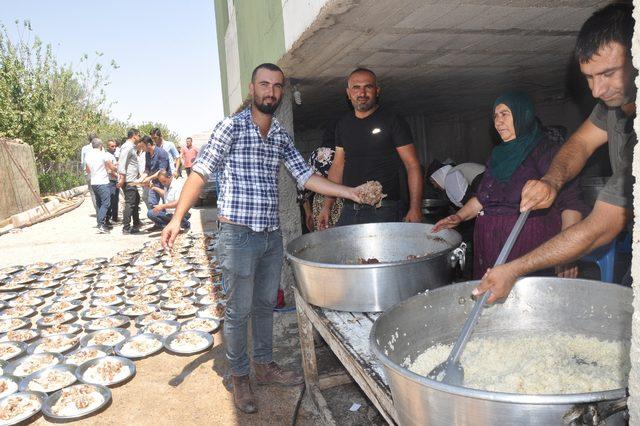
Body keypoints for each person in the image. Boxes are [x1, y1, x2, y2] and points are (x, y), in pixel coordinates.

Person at [161, 63, 369, 415]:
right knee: (238, 310)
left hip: (271, 235)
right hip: (237, 236)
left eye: (276, 86)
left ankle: (263, 364)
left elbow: (305, 177)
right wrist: (177, 218)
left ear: (281, 92)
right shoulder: (231, 126)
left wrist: (349, 192)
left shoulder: (280, 135)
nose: (270, 91)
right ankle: (240, 375)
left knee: (264, 306)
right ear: (252, 88)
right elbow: (200, 171)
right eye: (264, 85)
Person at [475, 3, 635, 303]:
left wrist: (514, 269)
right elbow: (580, 144)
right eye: (589, 77)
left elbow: (599, 228)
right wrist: (550, 181)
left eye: (608, 73)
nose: (597, 91)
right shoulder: (613, 106)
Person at [433, 91, 586, 279]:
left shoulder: (547, 151)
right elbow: (482, 198)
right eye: (495, 116)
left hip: (528, 245)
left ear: (523, 115)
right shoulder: (497, 155)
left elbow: (571, 203)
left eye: (505, 114)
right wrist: (458, 216)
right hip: (489, 246)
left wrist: (567, 251)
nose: (498, 122)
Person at [319, 68, 423, 228]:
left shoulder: (393, 121)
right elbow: (338, 166)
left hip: (384, 209)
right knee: (346, 253)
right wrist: (327, 206)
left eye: (368, 87)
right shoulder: (343, 124)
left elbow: (412, 165)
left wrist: (415, 207)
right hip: (349, 209)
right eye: (356, 87)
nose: (362, 93)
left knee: (383, 254)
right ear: (348, 93)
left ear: (377, 90)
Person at [297, 146, 343, 231]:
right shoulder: (340, 155)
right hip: (338, 200)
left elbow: (302, 187)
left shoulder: (317, 155)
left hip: (324, 202)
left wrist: (308, 212)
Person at [85, 138, 116, 233]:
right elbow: (112, 167)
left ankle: (100, 223)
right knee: (106, 203)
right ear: (101, 145)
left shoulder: (88, 155)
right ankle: (101, 224)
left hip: (94, 182)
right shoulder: (103, 154)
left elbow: (87, 170)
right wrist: (117, 166)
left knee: (99, 204)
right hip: (103, 182)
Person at [117, 128, 143, 234]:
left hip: (132, 179)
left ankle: (136, 223)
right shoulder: (127, 147)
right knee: (130, 203)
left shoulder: (131, 147)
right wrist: (122, 178)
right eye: (139, 136)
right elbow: (122, 163)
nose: (139, 138)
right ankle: (126, 228)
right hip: (128, 180)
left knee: (136, 200)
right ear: (134, 136)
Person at [141, 136, 170, 209]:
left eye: (142, 146)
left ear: (148, 145)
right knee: (150, 202)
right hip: (154, 181)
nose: (142, 149)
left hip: (164, 181)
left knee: (166, 202)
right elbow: (147, 169)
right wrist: (141, 179)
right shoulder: (147, 154)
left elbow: (161, 172)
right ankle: (155, 217)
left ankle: (165, 218)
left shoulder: (161, 153)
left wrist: (148, 178)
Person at [80, 133, 98, 210]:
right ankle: (102, 211)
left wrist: (84, 171)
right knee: (99, 191)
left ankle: (98, 210)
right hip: (98, 173)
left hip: (88, 173)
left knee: (92, 192)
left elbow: (82, 162)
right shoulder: (99, 147)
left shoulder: (84, 148)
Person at [105, 140, 119, 225]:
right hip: (110, 181)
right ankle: (108, 219)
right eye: (112, 146)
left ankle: (115, 217)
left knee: (115, 200)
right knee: (111, 200)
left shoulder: (113, 156)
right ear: (108, 147)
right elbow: (109, 170)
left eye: (115, 146)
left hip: (114, 181)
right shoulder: (107, 156)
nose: (114, 148)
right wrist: (118, 176)